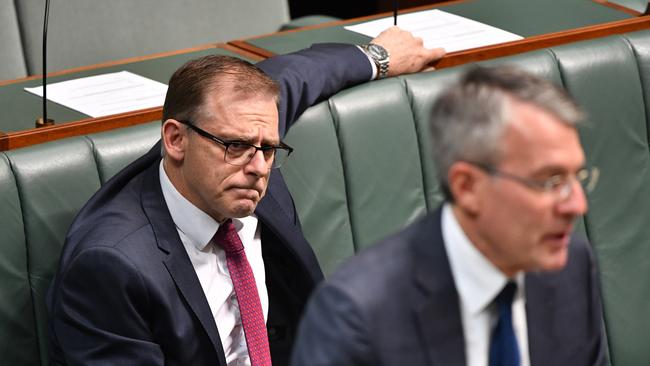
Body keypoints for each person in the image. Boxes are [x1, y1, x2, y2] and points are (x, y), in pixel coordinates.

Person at [46, 27, 444, 366]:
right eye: (235, 146)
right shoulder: (109, 267)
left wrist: (376, 56)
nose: (258, 168)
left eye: (269, 149)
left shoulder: (242, 142)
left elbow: (289, 77)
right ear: (175, 139)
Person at [291, 66, 606, 366]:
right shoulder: (357, 314)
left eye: (576, 177)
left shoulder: (570, 266)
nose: (577, 205)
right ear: (467, 187)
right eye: (549, 181)